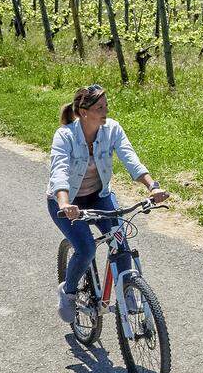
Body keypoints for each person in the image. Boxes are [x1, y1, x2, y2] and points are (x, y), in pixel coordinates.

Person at [48, 83, 169, 324]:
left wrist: (152, 186)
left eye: (106, 106)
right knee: (86, 249)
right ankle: (69, 291)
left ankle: (127, 290)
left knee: (121, 243)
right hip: (67, 203)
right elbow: (59, 172)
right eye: (100, 107)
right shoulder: (66, 136)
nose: (106, 111)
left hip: (98, 195)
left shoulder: (112, 130)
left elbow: (131, 159)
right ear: (84, 111)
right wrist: (64, 204)